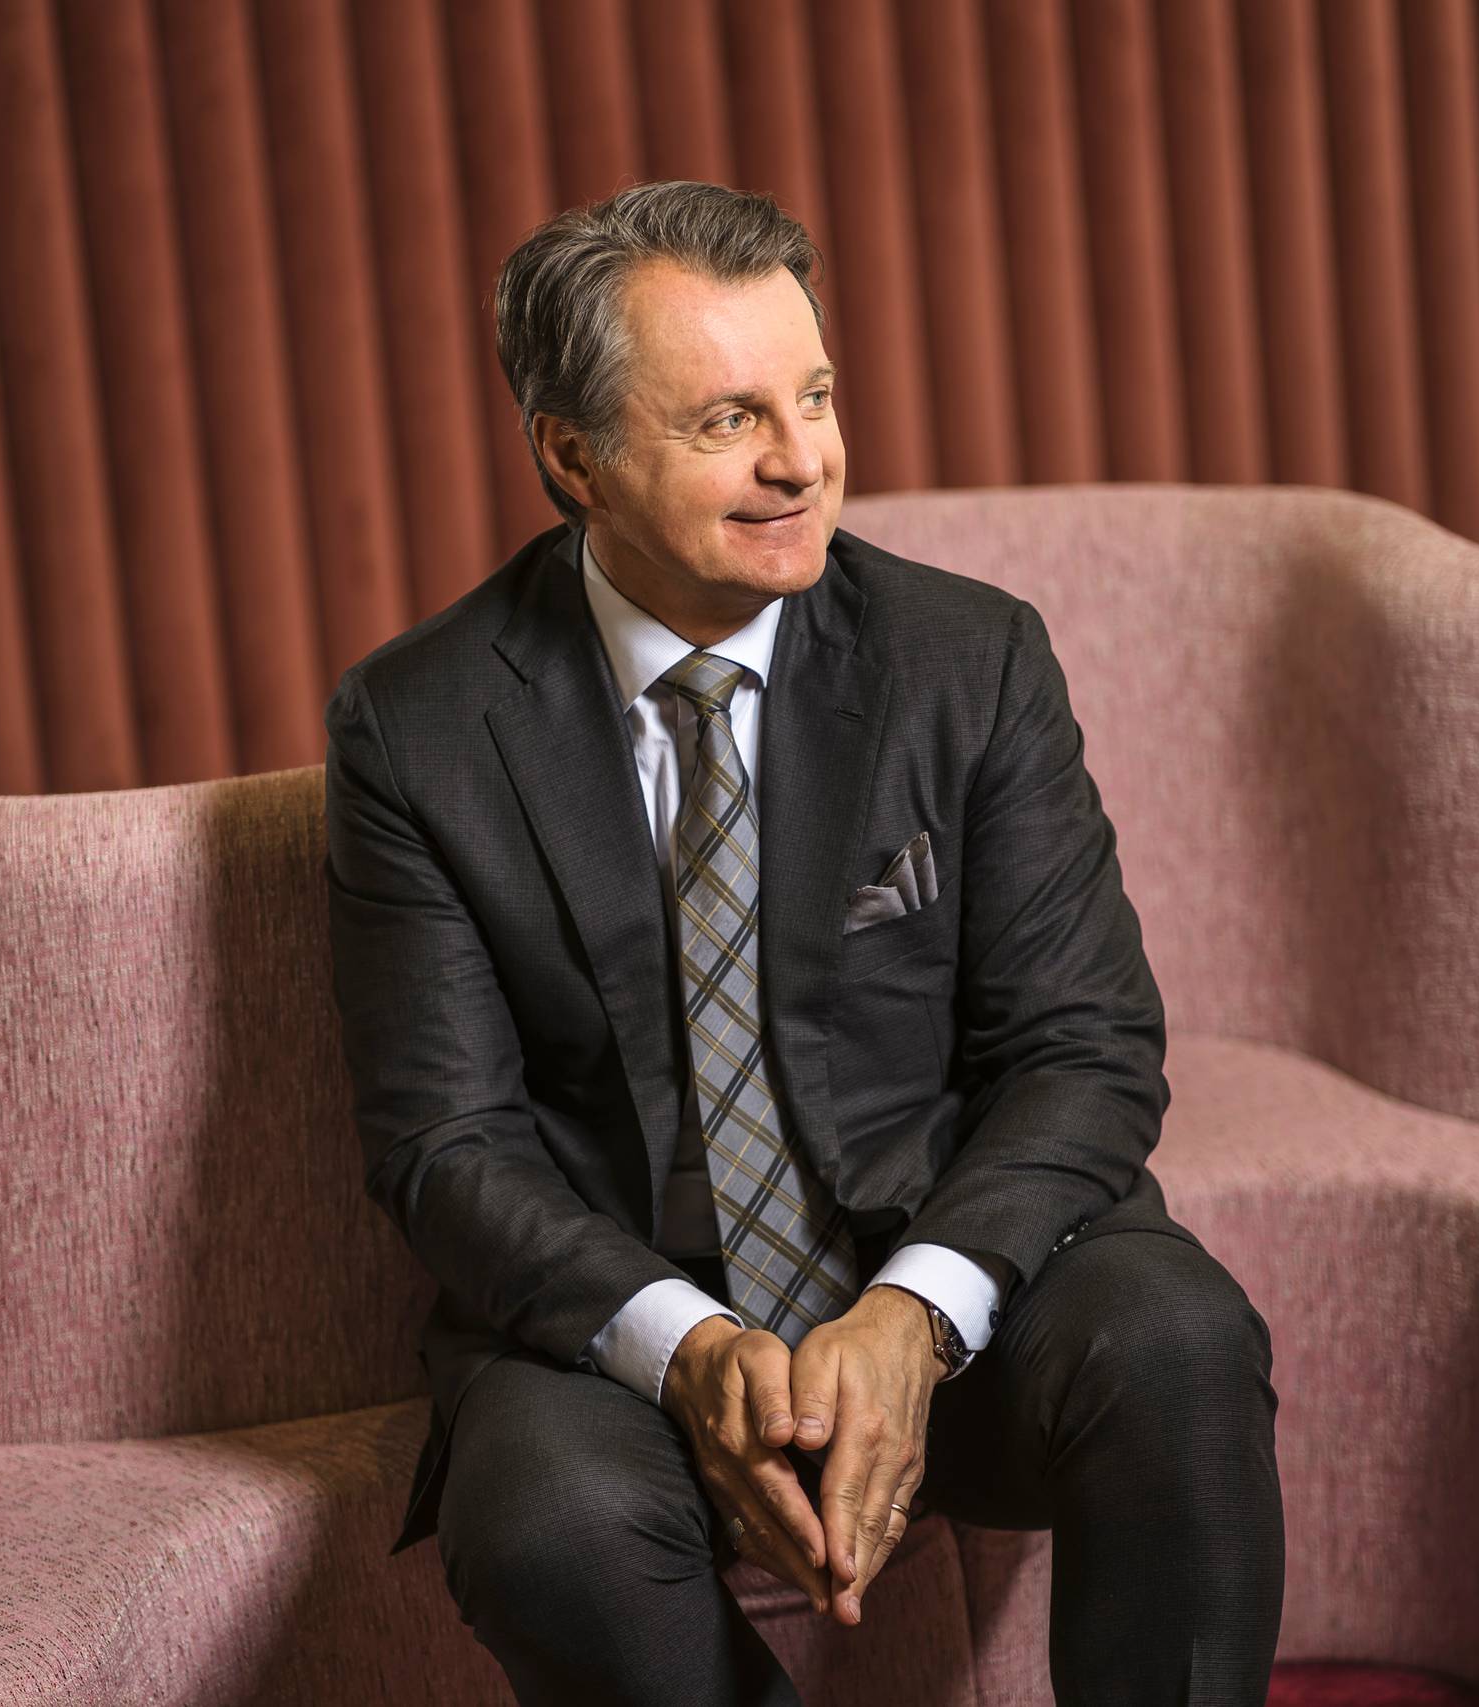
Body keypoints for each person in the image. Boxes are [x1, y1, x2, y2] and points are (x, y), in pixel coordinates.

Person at [322, 179, 1284, 1705]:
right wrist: (690, 1347)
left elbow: (1085, 1049)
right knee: (548, 1524)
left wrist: (915, 1312)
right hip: (631, 1331)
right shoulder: (419, 726)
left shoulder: (967, 660)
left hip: (947, 1288)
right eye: (729, 420)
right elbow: (448, 1143)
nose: (801, 461)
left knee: (1176, 1339)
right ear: (571, 456)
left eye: (816, 398)